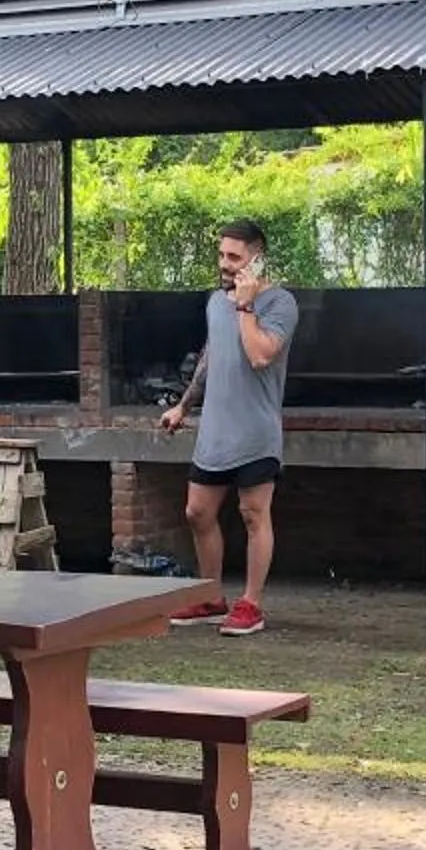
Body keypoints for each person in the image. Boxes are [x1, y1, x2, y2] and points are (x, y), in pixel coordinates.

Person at [159, 219, 298, 636]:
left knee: (254, 514)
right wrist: (183, 406)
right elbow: (210, 357)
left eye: (234, 257)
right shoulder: (214, 303)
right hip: (215, 429)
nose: (224, 263)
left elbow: (260, 355)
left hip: (256, 432)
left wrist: (245, 305)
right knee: (197, 512)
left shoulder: (281, 304)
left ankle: (251, 605)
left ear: (256, 260)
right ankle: (211, 596)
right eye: (221, 254)